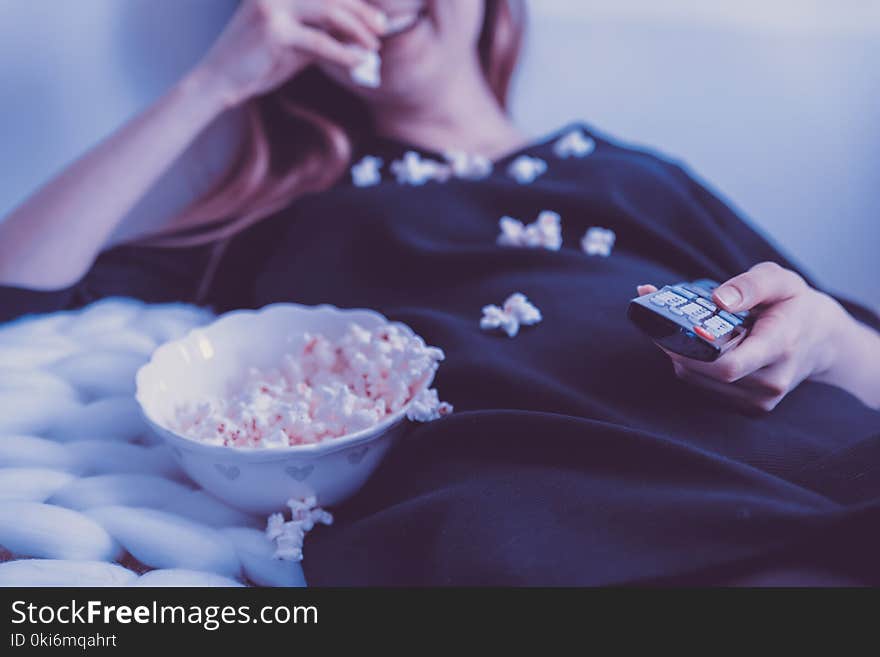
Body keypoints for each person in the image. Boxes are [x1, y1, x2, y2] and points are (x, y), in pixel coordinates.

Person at [1, 0, 878, 585]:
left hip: (809, 464)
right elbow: (19, 291)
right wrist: (215, 82)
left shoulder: (633, 176)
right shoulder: (295, 214)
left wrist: (828, 338)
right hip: (554, 520)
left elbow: (858, 358)